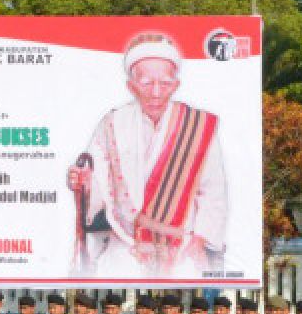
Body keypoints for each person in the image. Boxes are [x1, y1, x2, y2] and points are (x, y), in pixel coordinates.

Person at [66, 33, 227, 278]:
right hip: (125, 242)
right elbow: (96, 180)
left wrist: (200, 240)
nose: (155, 92)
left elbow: (213, 189)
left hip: (181, 244)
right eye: (145, 83)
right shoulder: (112, 123)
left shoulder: (196, 125)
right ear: (131, 85)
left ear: (176, 84)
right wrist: (82, 181)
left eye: (164, 83)